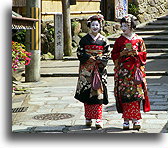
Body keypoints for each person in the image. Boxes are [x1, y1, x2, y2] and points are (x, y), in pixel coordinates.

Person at [111, 14, 150, 130]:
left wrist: (137, 53)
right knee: (125, 95)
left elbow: (144, 55)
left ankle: (136, 119)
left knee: (137, 95)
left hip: (135, 71)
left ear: (132, 26)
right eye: (122, 25)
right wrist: (121, 54)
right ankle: (126, 119)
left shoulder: (139, 40)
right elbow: (114, 55)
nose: (123, 28)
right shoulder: (119, 40)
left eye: (126, 25)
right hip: (123, 72)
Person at [74, 14, 110, 129]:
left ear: (100, 26)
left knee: (98, 93)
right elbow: (79, 52)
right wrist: (88, 57)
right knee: (86, 92)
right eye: (93, 25)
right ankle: (88, 118)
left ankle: (99, 118)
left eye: (97, 25)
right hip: (86, 70)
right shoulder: (84, 39)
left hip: (99, 69)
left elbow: (107, 53)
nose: (95, 27)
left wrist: (100, 59)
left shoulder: (104, 40)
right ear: (89, 26)